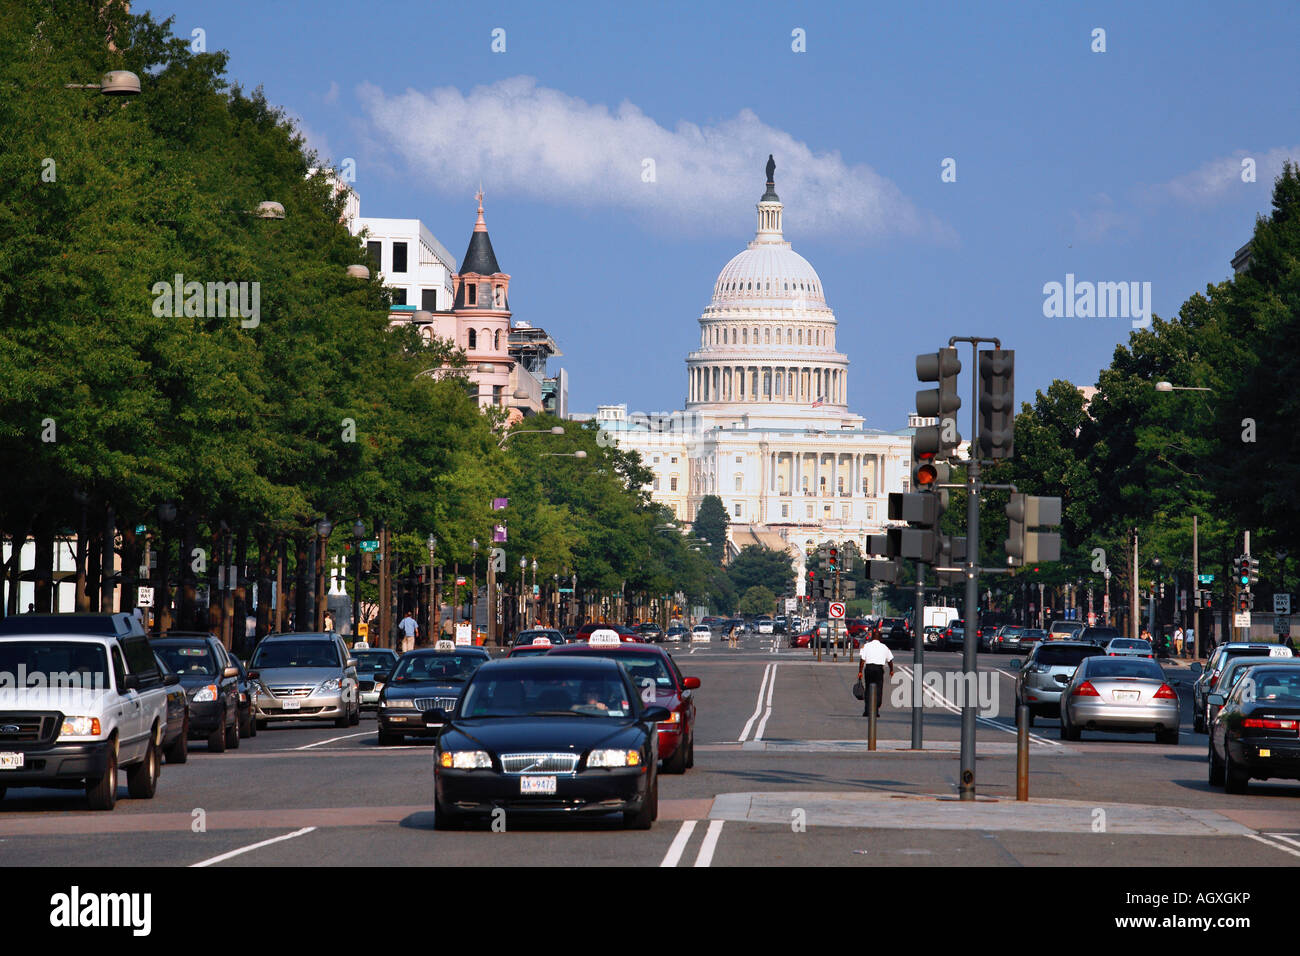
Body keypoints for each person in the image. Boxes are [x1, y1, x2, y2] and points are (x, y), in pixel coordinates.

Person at [858, 631, 894, 720]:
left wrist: (860, 671)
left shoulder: (866, 646)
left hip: (869, 669)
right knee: (878, 689)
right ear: (880, 638)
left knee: (868, 689)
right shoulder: (884, 647)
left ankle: (867, 710)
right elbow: (890, 660)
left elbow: (862, 660)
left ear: (872, 637)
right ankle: (876, 710)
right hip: (879, 670)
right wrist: (891, 670)